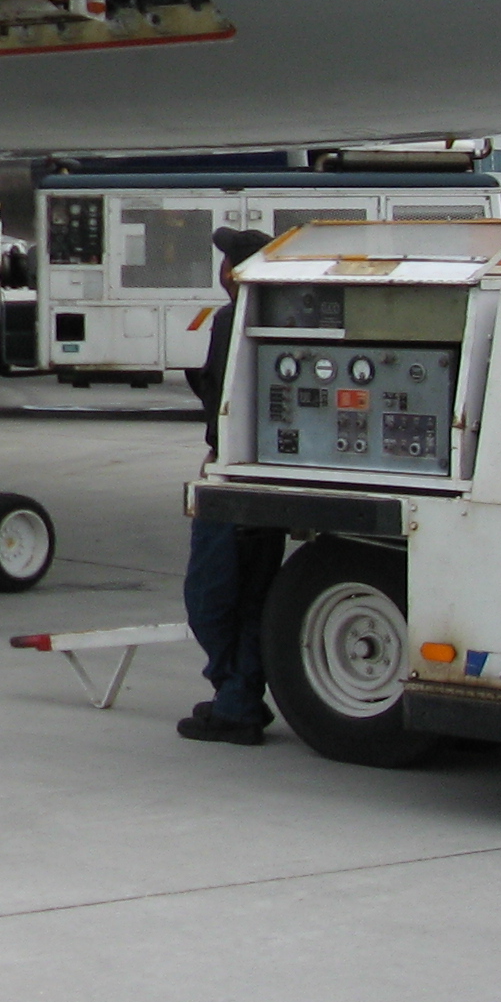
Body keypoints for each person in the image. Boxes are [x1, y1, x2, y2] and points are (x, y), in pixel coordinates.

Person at [179, 226, 281, 746]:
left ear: (233, 272)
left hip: (233, 473)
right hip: (273, 477)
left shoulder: (230, 319)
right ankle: (240, 696)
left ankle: (235, 700)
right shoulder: (279, 314)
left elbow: (219, 397)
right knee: (256, 596)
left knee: (210, 595)